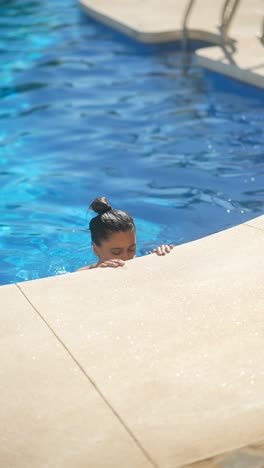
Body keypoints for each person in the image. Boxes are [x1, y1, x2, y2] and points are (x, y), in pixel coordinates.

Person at [78, 196, 174, 270]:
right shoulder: (81, 275)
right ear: (96, 250)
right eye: (116, 252)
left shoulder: (140, 263)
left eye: (131, 249)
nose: (127, 258)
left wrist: (161, 253)